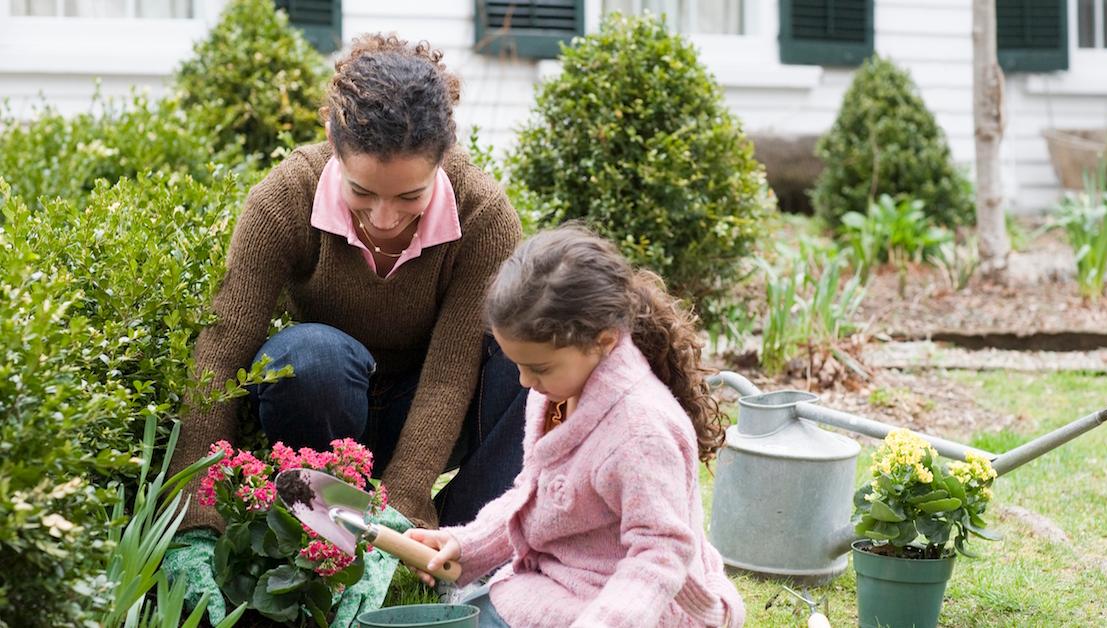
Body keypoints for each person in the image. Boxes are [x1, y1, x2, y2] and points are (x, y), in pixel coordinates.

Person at [163, 34, 527, 625]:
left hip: (430, 407)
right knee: (307, 356)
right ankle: (328, 527)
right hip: (327, 405)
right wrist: (192, 513)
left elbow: (449, 374)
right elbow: (221, 347)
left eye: (410, 196)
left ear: (443, 159)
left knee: (522, 359)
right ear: (334, 144)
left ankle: (460, 550)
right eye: (362, 192)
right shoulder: (284, 196)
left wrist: (403, 508)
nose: (384, 220)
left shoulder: (484, 215)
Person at [406, 226, 747, 627]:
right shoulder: (555, 393)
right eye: (518, 365)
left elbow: (662, 552)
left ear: (603, 341)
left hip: (639, 607)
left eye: (538, 368)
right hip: (564, 581)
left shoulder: (641, 432)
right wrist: (466, 544)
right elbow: (532, 495)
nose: (523, 382)